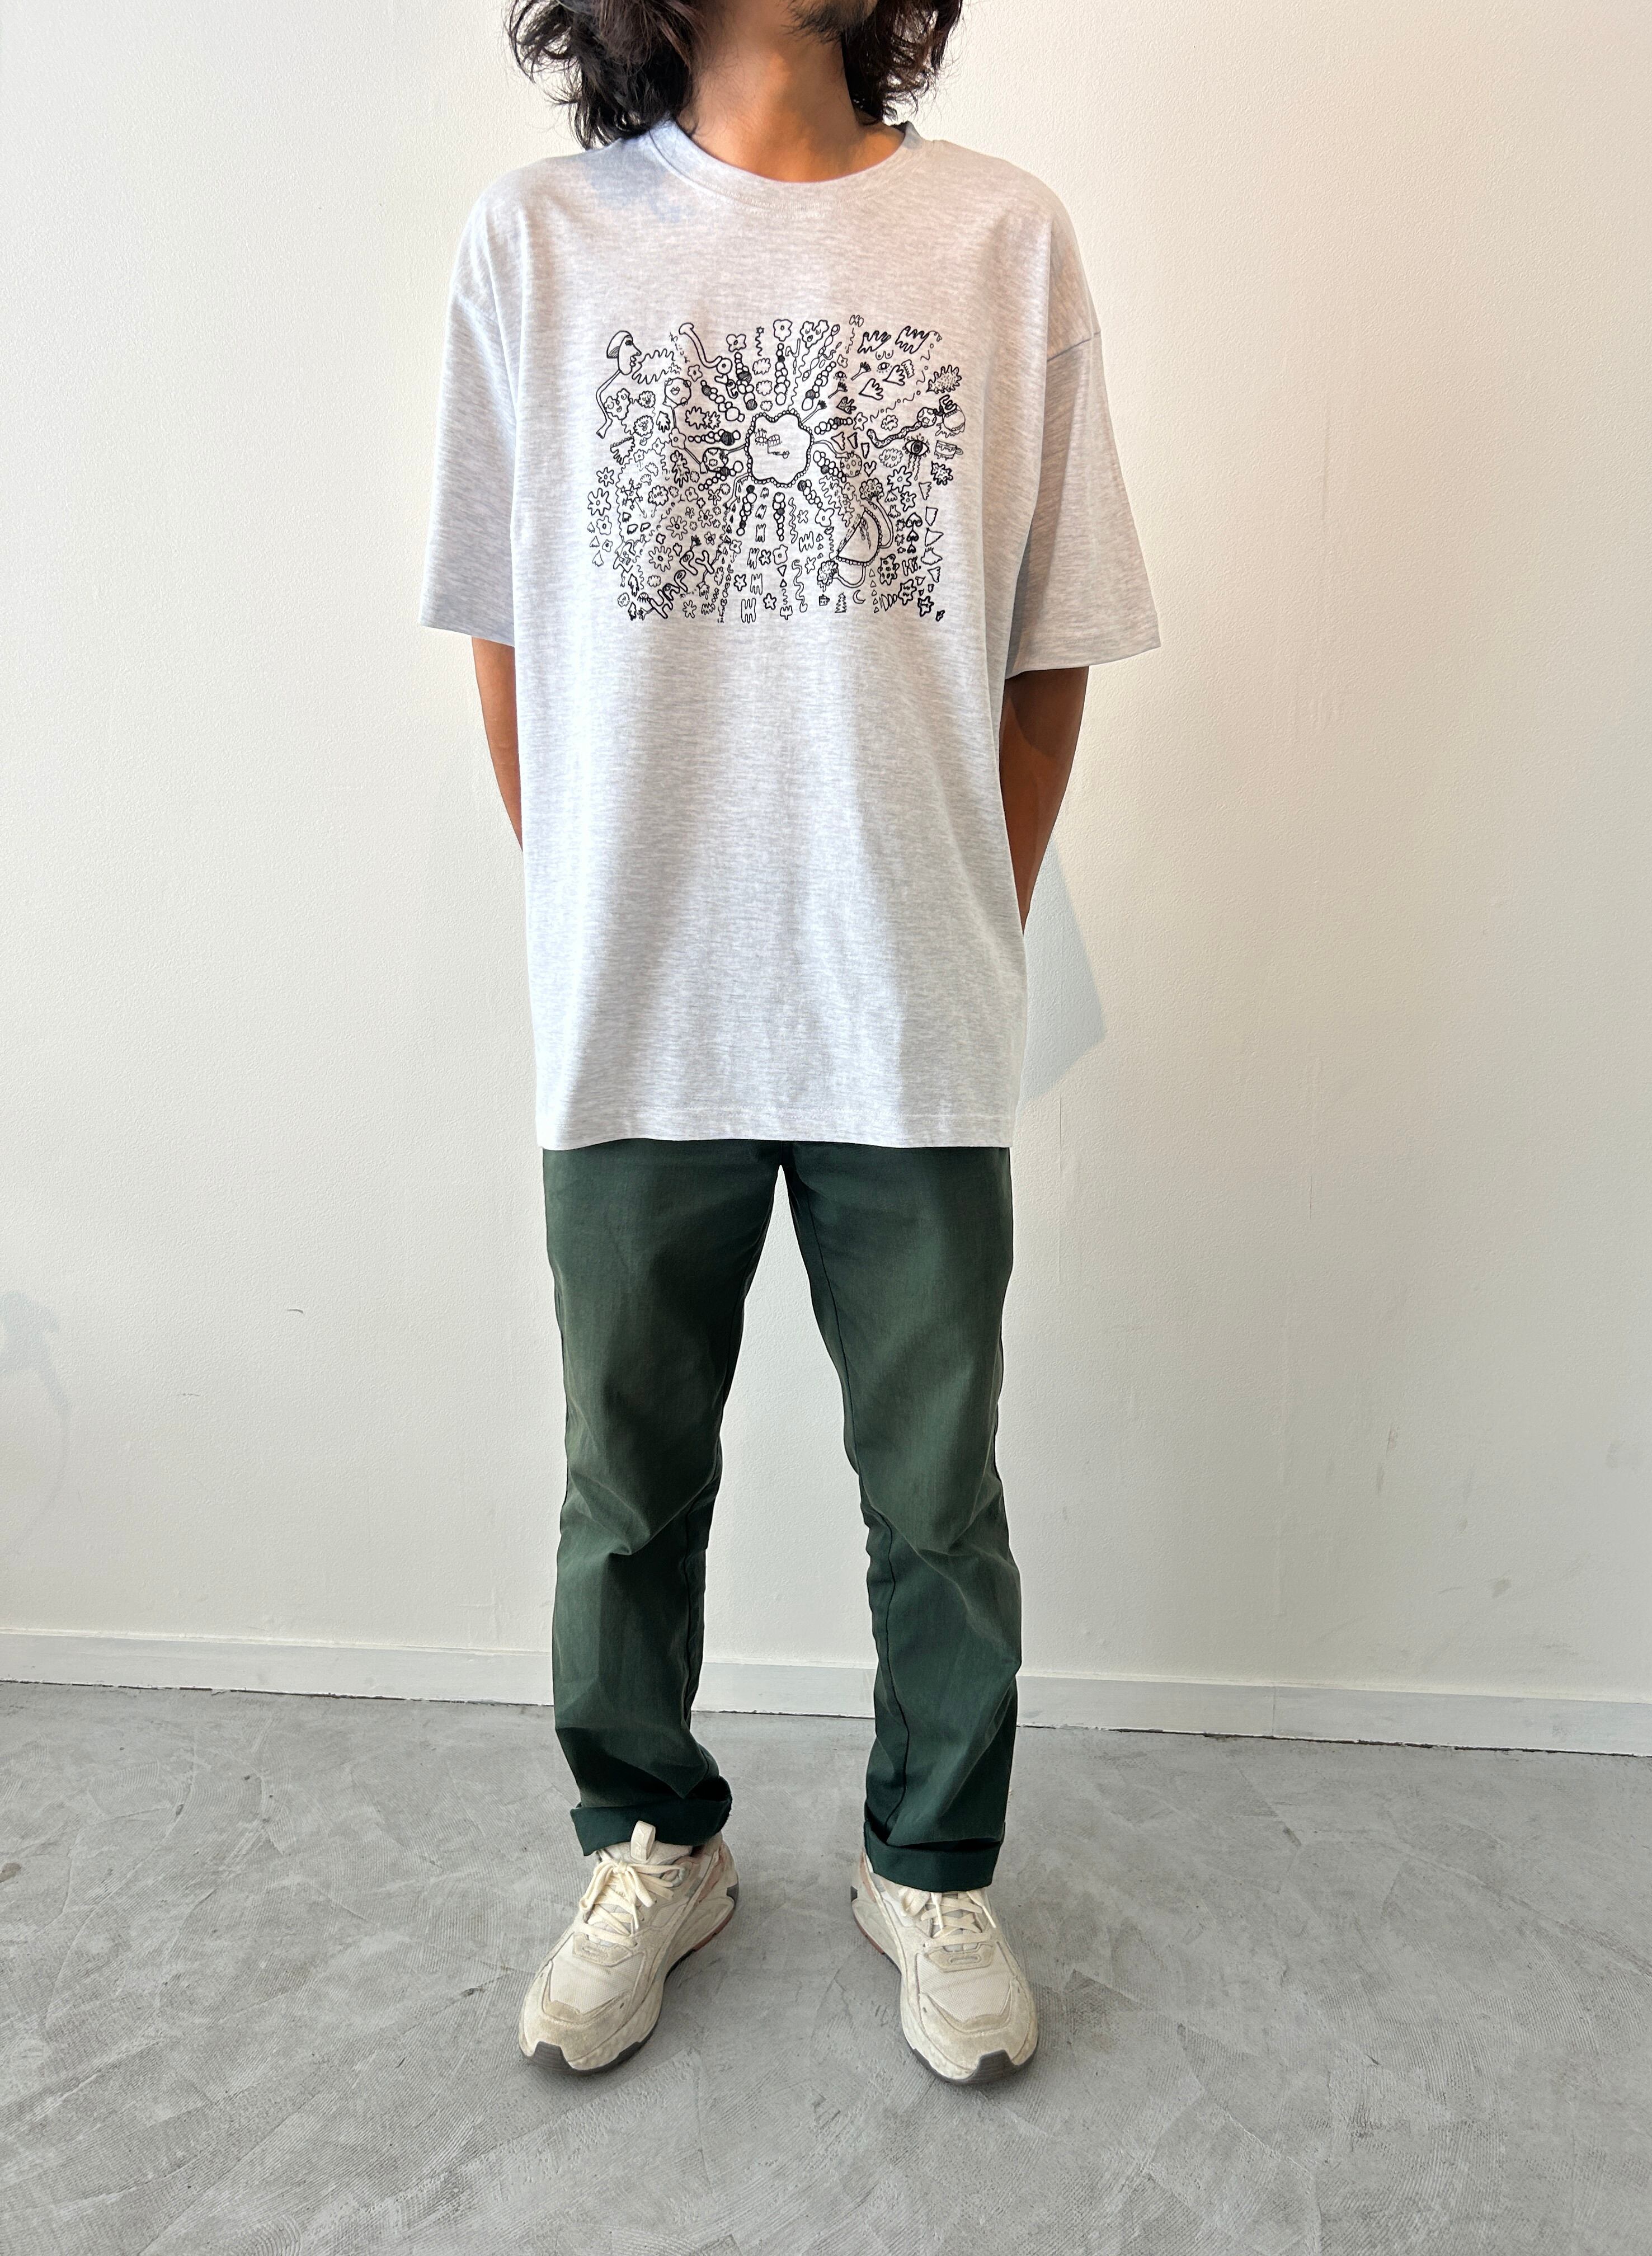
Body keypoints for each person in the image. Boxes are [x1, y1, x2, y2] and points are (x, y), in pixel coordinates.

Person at [420, 0, 1159, 2088]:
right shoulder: (539, 241)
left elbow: (1054, 642)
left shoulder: (1003, 238)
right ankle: (652, 1841)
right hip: (635, 996)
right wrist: (598, 900)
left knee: (936, 1491)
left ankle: (931, 1863)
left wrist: (961, 901)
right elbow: (503, 627)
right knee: (625, 1484)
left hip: (906, 998)